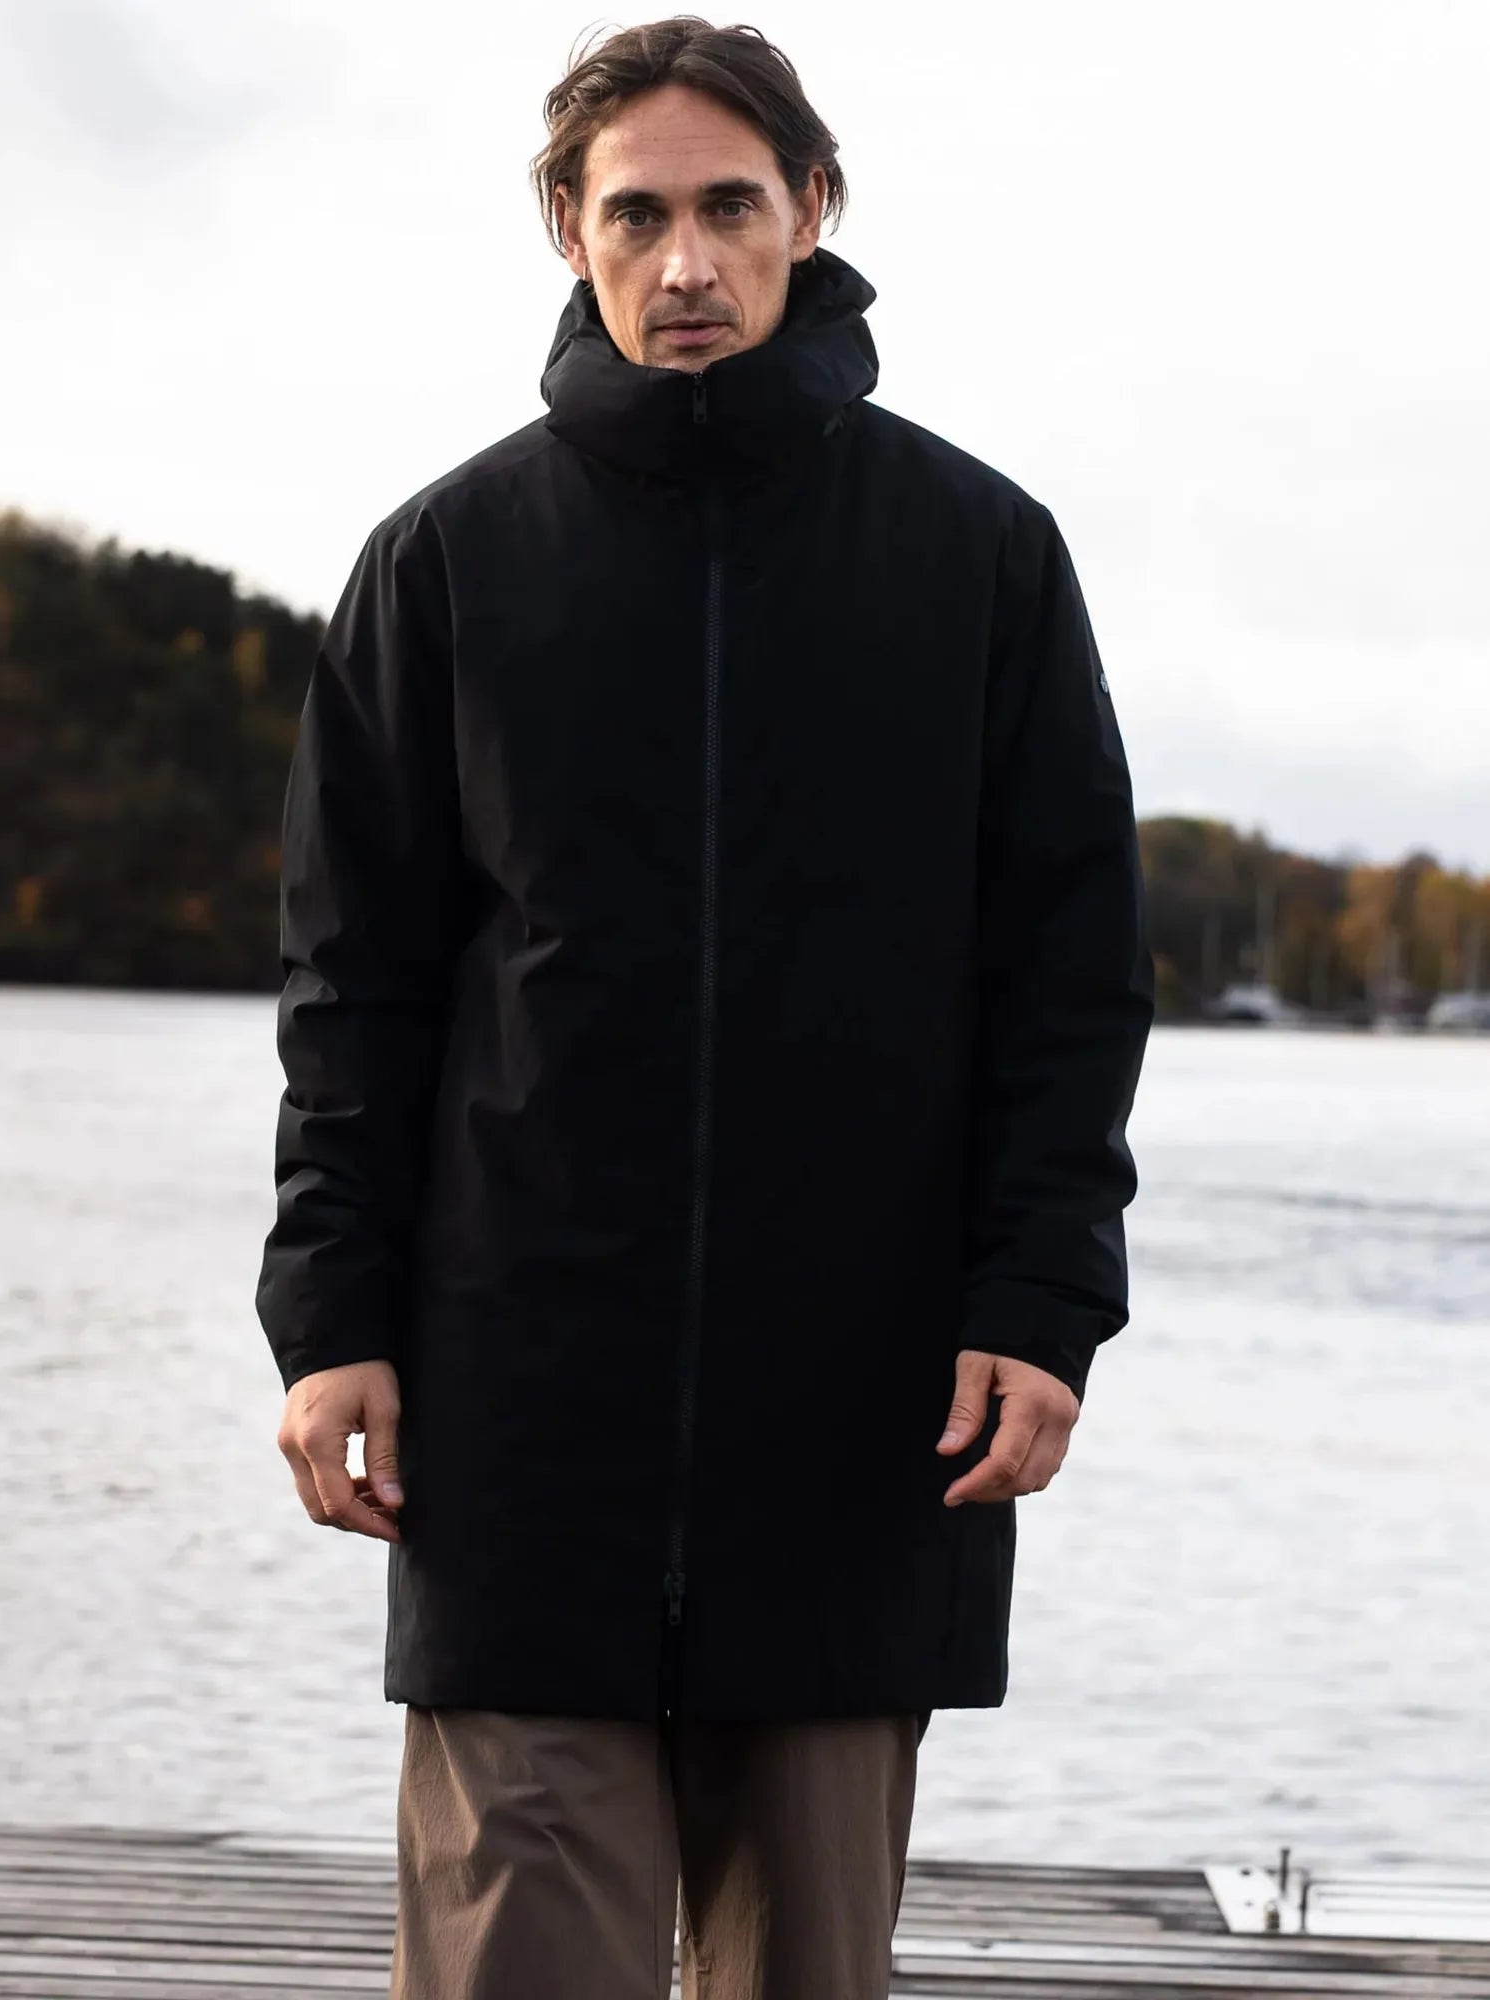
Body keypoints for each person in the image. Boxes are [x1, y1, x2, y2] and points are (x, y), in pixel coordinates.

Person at [254, 17, 1154, 1998]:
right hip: (517, 1421)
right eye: (635, 215)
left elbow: (1072, 981)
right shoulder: (444, 563)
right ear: (565, 232)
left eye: (729, 209)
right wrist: (331, 1319)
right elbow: (353, 991)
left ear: (809, 212)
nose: (684, 264)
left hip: (861, 1420)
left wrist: (1038, 1299)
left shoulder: (981, 559)